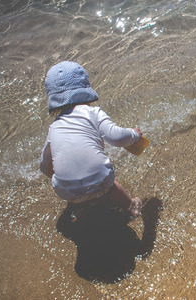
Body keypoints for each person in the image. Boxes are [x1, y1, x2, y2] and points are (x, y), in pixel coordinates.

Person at [39, 61, 143, 217]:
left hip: (66, 191)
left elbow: (44, 165)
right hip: (101, 180)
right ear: (85, 89)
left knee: (78, 193)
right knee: (111, 186)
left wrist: (63, 177)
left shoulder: (54, 127)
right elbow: (117, 137)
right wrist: (135, 135)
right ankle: (131, 207)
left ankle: (84, 207)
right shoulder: (92, 112)